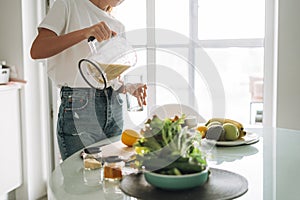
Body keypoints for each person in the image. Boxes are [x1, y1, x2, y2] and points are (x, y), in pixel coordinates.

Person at [30, 0, 147, 160]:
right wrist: (85, 33)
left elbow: (108, 78)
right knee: (80, 178)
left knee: (111, 175)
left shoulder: (117, 25)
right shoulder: (68, 4)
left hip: (114, 106)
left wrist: (128, 87)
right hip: (79, 105)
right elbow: (37, 50)